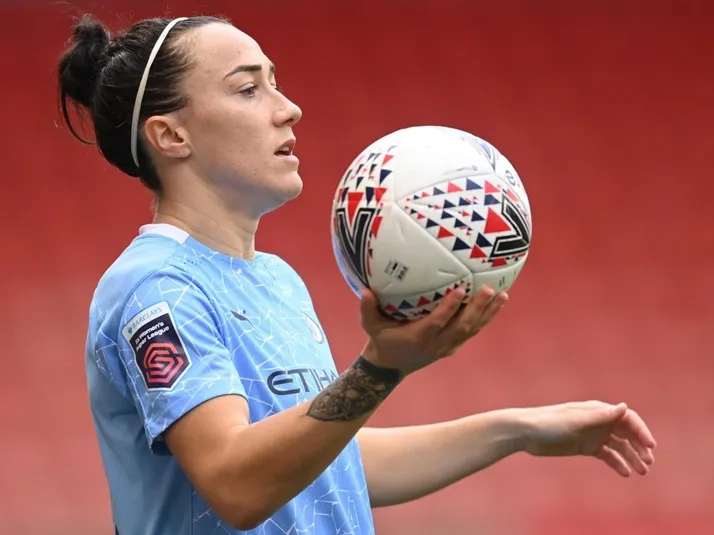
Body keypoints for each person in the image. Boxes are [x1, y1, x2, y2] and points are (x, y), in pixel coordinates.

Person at [58, 13, 657, 535]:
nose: (288, 108)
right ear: (170, 135)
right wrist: (380, 368)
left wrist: (515, 430)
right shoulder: (158, 289)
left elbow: (327, 465)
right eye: (248, 89)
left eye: (276, 83)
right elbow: (236, 482)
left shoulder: (275, 279)